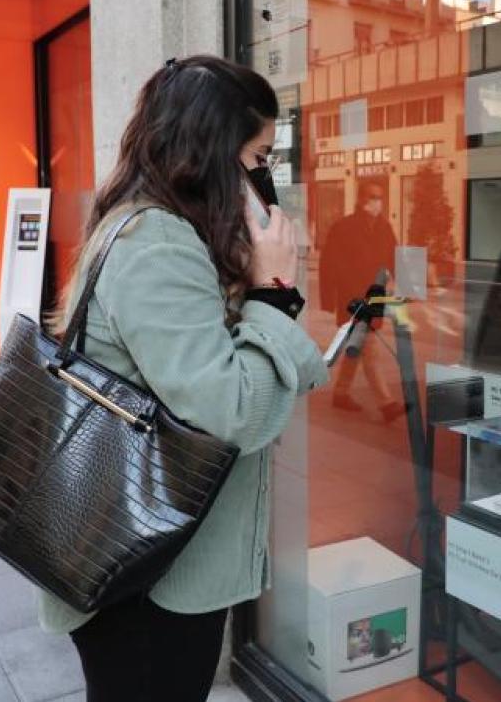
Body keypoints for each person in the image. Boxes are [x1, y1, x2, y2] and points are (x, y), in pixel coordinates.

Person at [41, 55, 328, 702]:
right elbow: (233, 414)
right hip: (148, 572)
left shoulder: (150, 227)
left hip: (142, 554)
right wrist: (276, 290)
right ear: (212, 152)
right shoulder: (159, 244)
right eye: (258, 157)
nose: (265, 177)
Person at [319, 181, 402, 422]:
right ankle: (386, 404)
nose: (378, 202)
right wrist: (327, 300)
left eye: (380, 197)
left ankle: (341, 394)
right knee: (371, 349)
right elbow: (328, 264)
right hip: (352, 299)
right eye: (373, 197)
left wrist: (407, 285)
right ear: (361, 199)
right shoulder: (344, 227)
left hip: (374, 298)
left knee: (356, 349)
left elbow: (394, 257)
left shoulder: (385, 228)